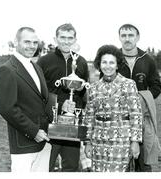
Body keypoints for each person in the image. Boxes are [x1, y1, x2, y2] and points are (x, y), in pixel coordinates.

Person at [0, 27, 52, 172]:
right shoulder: (7, 69)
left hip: (45, 141)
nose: (32, 46)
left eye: (35, 42)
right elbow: (7, 109)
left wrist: (62, 107)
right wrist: (33, 132)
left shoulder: (36, 67)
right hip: (24, 144)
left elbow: (42, 99)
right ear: (16, 42)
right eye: (27, 42)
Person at [37, 23, 89, 172]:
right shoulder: (44, 61)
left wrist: (79, 102)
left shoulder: (82, 62)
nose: (66, 41)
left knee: (71, 167)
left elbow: (83, 92)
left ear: (75, 39)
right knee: (46, 167)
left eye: (70, 38)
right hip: (49, 124)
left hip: (73, 125)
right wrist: (60, 104)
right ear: (55, 38)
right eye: (62, 38)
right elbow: (39, 93)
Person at [83, 45, 142, 172]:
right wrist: (87, 142)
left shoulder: (128, 84)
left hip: (121, 141)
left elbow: (136, 114)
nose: (107, 66)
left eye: (111, 62)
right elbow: (89, 117)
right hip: (98, 141)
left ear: (117, 65)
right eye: (104, 62)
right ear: (99, 64)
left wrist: (135, 141)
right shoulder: (93, 88)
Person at [117, 24, 161, 172]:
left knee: (143, 163)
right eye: (123, 35)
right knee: (120, 162)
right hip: (118, 119)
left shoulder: (147, 59)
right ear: (119, 38)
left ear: (137, 37)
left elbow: (156, 87)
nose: (127, 39)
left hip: (141, 118)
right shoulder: (113, 58)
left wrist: (141, 100)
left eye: (130, 35)